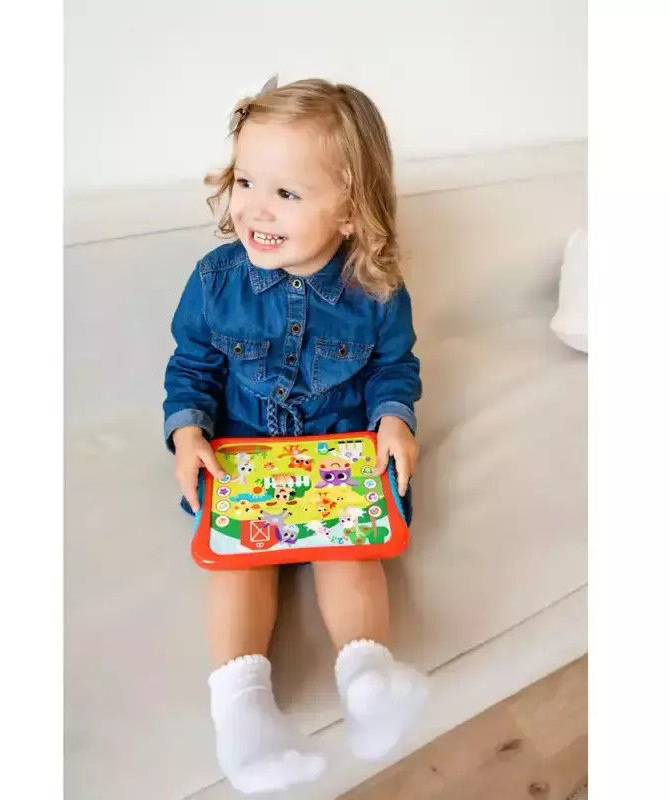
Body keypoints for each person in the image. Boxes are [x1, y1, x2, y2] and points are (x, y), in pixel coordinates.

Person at [163, 76, 427, 795]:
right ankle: (242, 715)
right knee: (237, 564)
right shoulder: (216, 281)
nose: (255, 207)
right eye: (247, 180)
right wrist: (188, 434)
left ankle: (369, 681)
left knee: (350, 553)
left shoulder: (377, 289)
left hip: (338, 455)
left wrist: (394, 418)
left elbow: (393, 367)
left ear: (351, 208)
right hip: (243, 455)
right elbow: (192, 367)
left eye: (286, 192)